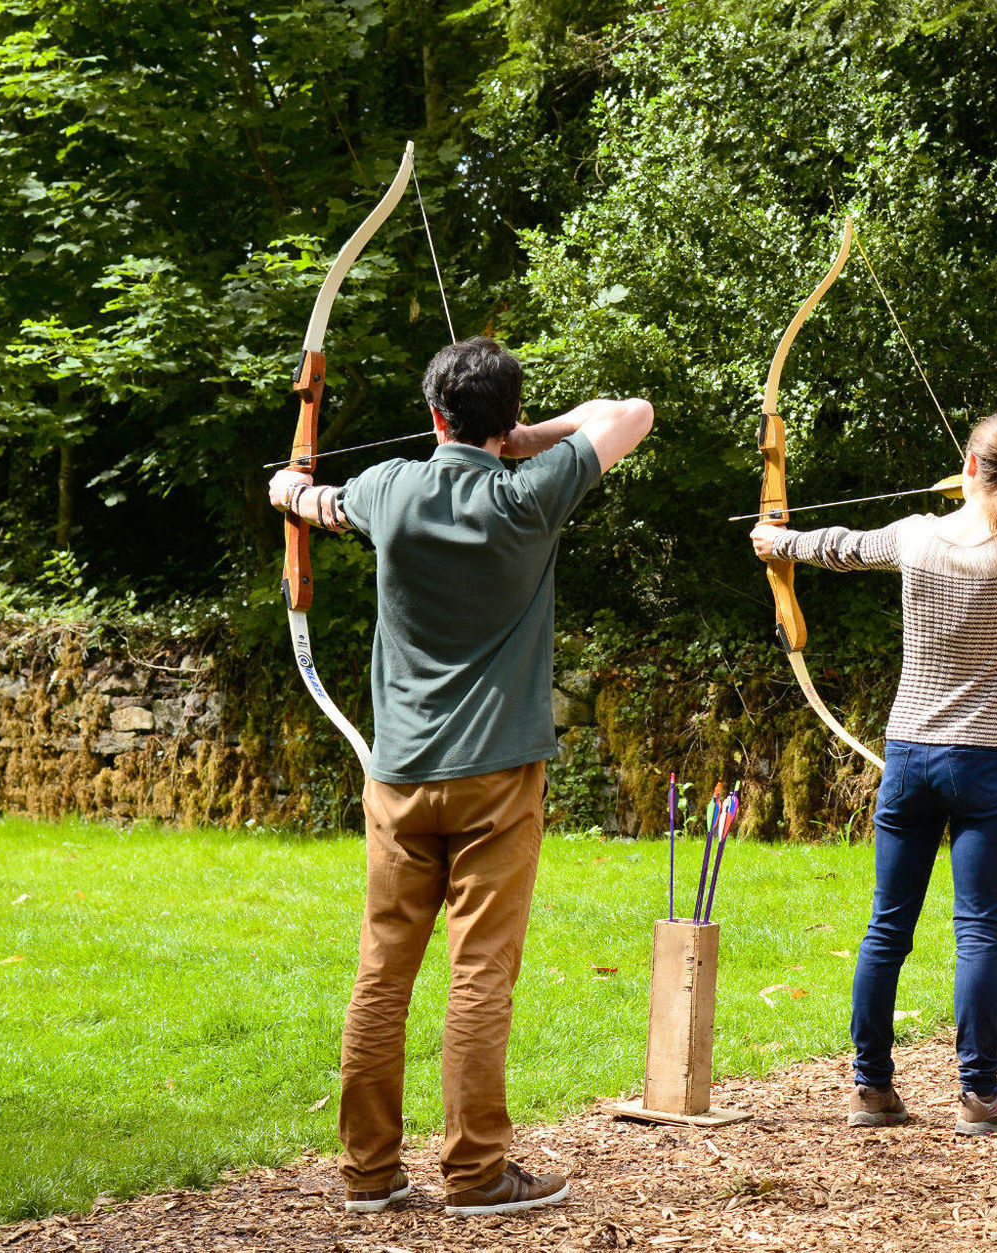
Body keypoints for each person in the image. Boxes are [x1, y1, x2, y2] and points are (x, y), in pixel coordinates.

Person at [267, 336, 653, 1214]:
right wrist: (527, 438)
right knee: (479, 973)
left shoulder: (389, 489)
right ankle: (476, 1173)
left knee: (382, 969)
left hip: (400, 776)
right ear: (506, 418)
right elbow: (631, 413)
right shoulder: (530, 493)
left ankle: (369, 1171)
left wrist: (286, 489)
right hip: (498, 780)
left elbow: (304, 495)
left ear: (434, 414)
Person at [751, 414, 997, 1134]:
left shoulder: (918, 533)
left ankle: (870, 1088)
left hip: (911, 754)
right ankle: (980, 1095)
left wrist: (779, 542)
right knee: (977, 928)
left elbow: (841, 548)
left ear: (968, 463)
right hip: (985, 760)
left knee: (887, 925)